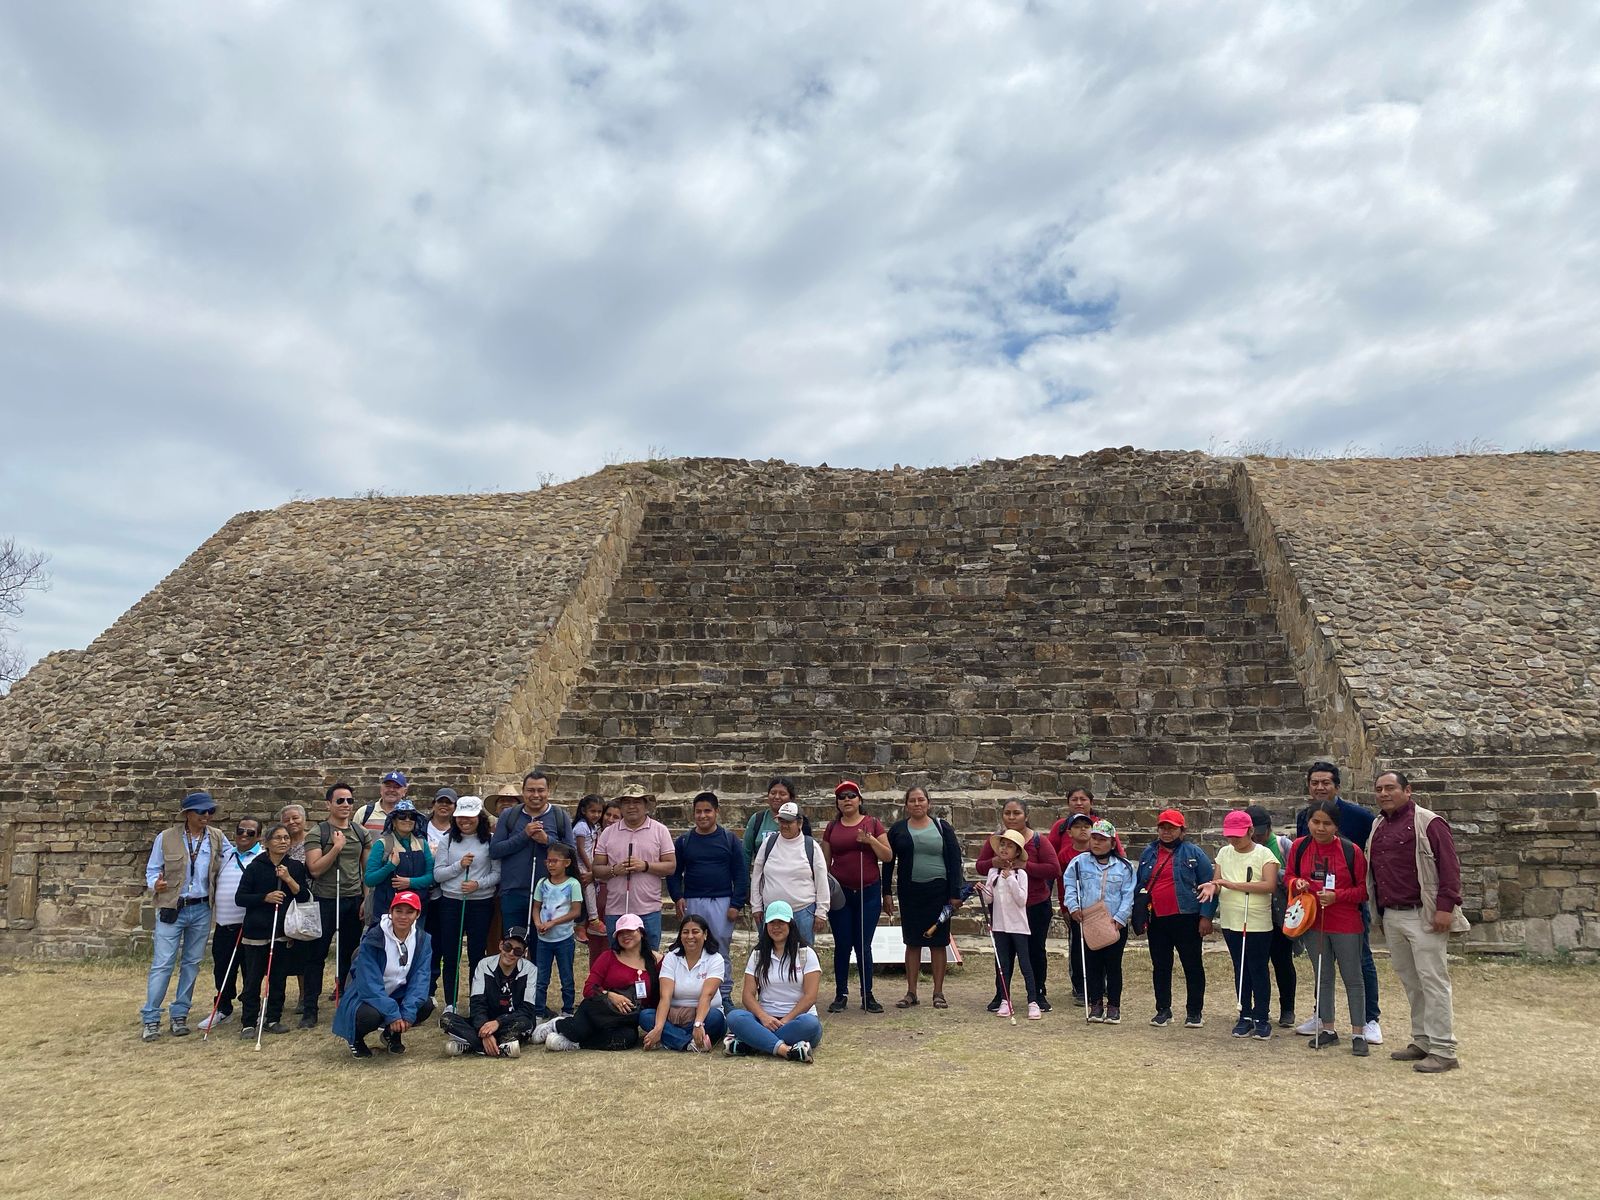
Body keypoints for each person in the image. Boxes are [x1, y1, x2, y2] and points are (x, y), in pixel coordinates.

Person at [1366, 770, 1468, 1074]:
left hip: (1422, 913)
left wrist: (1445, 907)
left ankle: (1444, 1049)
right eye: (1379, 789)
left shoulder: (1429, 822)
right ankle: (1423, 1040)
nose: (1384, 794)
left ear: (1407, 790)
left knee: (1433, 981)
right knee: (1412, 981)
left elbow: (1449, 867)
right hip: (1393, 913)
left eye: (1391, 788)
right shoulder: (1379, 825)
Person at [1294, 761, 1382, 1044]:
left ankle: (1369, 1020)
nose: (1320, 787)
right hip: (1316, 913)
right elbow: (1298, 865)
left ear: (1337, 786)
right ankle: (1325, 1019)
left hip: (1347, 912)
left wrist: (1342, 895)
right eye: (1314, 782)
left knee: (1359, 963)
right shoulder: (1303, 820)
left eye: (1326, 782)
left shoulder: (1360, 817)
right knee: (1323, 970)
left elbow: (1365, 876)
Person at [140, 790, 228, 1041]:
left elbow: (233, 858)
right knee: (163, 963)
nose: (207, 816)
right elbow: (153, 869)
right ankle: (151, 1018)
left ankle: (180, 1013)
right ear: (188, 814)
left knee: (191, 963)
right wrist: (153, 885)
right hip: (172, 906)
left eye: (210, 811)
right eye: (202, 812)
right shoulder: (166, 838)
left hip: (201, 907)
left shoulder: (217, 837)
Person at [1285, 798, 1370, 1056]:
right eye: (1315, 822)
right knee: (1323, 976)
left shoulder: (1350, 850)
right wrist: (1297, 882)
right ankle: (1329, 1029)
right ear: (1308, 822)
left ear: (1336, 825)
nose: (1320, 828)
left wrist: (1338, 896)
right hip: (1313, 922)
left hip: (1345, 923)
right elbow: (1288, 875)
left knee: (1353, 978)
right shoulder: (1299, 847)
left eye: (1327, 823)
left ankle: (1358, 1032)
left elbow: (1363, 891)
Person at [1198, 810, 1278, 1041]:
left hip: (1257, 922)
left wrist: (1230, 884)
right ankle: (1245, 1014)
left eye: (1239, 836)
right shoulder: (1224, 852)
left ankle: (1262, 1017)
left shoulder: (1265, 854)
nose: (1233, 841)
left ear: (1251, 831)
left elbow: (1269, 885)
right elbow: (1218, 881)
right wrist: (1214, 887)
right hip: (1232, 920)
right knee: (1240, 967)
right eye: (1230, 836)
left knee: (1258, 968)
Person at [883, 785, 964, 1009]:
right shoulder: (898, 830)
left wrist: (955, 893)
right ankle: (911, 992)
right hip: (910, 892)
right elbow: (888, 862)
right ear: (906, 805)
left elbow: (955, 859)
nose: (917, 804)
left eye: (921, 800)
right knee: (912, 942)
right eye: (912, 800)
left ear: (928, 803)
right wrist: (886, 892)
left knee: (939, 942)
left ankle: (938, 992)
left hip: (939, 891)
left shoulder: (942, 827)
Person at [976, 799, 1058, 1013]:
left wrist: (1025, 866)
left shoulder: (1039, 841)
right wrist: (994, 863)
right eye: (1007, 813)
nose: (1012, 817)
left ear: (1026, 816)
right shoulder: (997, 841)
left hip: (1034, 904)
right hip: (1003, 907)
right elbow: (980, 865)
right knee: (1003, 951)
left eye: (1017, 813)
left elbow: (1053, 869)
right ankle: (1001, 994)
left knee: (1034, 951)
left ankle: (1038, 993)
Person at [534, 912, 659, 1052]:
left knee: (627, 1039)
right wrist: (610, 995)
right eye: (620, 932)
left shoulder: (653, 962)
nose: (625, 935)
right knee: (578, 1030)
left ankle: (576, 1044)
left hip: (625, 1018)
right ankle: (557, 1025)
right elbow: (589, 989)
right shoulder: (608, 957)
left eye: (630, 930)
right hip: (599, 1010)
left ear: (641, 933)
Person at [1135, 808, 1214, 1028]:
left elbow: (1208, 886)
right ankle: (1163, 1010)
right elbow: (1140, 883)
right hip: (1157, 917)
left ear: (1182, 829)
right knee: (1160, 965)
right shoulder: (1149, 852)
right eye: (1163, 827)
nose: (1166, 831)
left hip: (1186, 916)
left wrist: (1206, 916)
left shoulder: (1194, 852)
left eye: (1171, 827)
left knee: (1192, 965)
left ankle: (1194, 1012)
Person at [332, 891, 437, 1057]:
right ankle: (356, 1038)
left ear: (417, 914)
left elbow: (421, 978)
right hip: (366, 996)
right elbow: (369, 983)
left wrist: (407, 1014)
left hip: (397, 992)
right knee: (370, 1016)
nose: (403, 916)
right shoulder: (374, 938)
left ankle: (392, 1034)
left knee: (425, 1005)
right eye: (398, 911)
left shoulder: (423, 940)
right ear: (391, 912)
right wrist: (393, 1014)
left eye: (409, 912)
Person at [668, 791, 747, 1009]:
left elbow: (740, 873)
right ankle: (695, 993)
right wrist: (677, 897)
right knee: (693, 946)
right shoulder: (684, 841)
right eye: (698, 812)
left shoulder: (729, 840)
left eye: (707, 811)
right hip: (693, 901)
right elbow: (674, 873)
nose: (703, 816)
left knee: (720, 947)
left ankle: (724, 993)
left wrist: (736, 903)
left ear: (716, 812)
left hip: (721, 901)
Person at [234, 823, 312, 1038]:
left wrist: (288, 879)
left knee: (278, 979)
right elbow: (240, 898)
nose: (283, 841)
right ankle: (249, 1022)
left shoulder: (294, 866)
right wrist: (264, 898)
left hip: (282, 932)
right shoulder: (255, 867)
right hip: (256, 933)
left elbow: (303, 896)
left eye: (286, 838)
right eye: (277, 838)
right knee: (252, 981)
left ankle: (273, 1018)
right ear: (266, 843)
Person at [304, 782, 372, 1021]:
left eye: (349, 801)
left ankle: (346, 1001)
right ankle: (310, 1009)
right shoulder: (318, 833)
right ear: (329, 804)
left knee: (349, 955)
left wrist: (366, 898)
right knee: (316, 955)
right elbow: (314, 869)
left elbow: (367, 870)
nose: (345, 805)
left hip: (352, 900)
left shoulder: (360, 832)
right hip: (325, 900)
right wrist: (335, 848)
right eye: (340, 801)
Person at [821, 781, 889, 1013]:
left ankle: (867, 994)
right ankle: (841, 993)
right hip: (840, 894)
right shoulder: (832, 827)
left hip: (867, 891)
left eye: (851, 796)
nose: (846, 800)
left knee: (863, 945)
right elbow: (824, 863)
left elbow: (887, 856)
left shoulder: (873, 824)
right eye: (841, 797)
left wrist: (870, 840)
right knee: (842, 944)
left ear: (859, 799)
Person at [724, 901, 821, 1063]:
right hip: (765, 1021)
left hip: (797, 1021)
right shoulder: (758, 954)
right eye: (772, 923)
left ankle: (753, 1043)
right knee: (734, 1017)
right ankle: (786, 1050)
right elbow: (748, 995)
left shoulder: (806, 953)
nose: (776, 927)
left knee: (810, 1024)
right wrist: (764, 1017)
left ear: (790, 924)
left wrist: (786, 1020)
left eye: (781, 922)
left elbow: (810, 997)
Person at [433, 795, 500, 1014]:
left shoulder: (490, 840)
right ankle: (450, 1002)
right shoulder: (448, 840)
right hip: (451, 903)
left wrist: (477, 885)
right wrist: (459, 866)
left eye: (470, 817)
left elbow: (497, 874)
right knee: (450, 954)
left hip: (480, 903)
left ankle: (476, 1001)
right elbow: (438, 874)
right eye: (461, 817)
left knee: (476, 954)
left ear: (479, 817)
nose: (465, 821)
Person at [1063, 820, 1135, 1024]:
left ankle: (1113, 1005)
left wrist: (1120, 918)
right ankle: (1095, 1004)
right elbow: (1070, 886)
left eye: (1102, 840)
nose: (1096, 843)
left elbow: (1128, 894)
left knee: (1113, 966)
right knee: (1092, 964)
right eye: (1094, 838)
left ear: (1112, 843)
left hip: (1113, 922)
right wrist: (1073, 906)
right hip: (1088, 921)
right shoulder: (1078, 863)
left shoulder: (1125, 867)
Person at [488, 769, 574, 937]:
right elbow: (495, 850)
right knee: (513, 945)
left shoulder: (560, 816)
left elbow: (571, 853)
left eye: (540, 790)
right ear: (523, 791)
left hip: (550, 893)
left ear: (548, 791)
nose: (536, 795)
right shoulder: (509, 815)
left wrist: (548, 841)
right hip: (514, 892)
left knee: (542, 948)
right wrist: (523, 836)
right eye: (531, 790)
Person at [199, 815, 262, 1032]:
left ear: (259, 836)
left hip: (249, 926)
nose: (244, 835)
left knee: (250, 971)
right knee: (222, 969)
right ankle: (222, 1007)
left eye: (250, 832)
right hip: (224, 924)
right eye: (240, 831)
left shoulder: (262, 858)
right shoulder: (225, 854)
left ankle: (250, 1011)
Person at [592, 785, 675, 950]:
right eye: (627, 802)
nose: (631, 806)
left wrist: (645, 866)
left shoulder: (660, 831)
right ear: (621, 806)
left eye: (637, 802)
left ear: (645, 805)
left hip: (648, 910)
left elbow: (671, 866)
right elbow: (596, 869)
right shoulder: (608, 833)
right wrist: (614, 870)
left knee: (650, 958)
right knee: (617, 959)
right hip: (616, 909)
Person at [442, 926, 537, 1058]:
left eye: (517, 951)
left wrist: (498, 1022)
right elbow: (477, 1004)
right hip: (486, 1022)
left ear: (524, 953)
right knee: (447, 1018)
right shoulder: (484, 965)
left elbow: (527, 1009)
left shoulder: (530, 970)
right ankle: (499, 1047)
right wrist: (486, 1031)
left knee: (526, 1023)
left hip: (511, 1022)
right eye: (508, 947)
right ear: (500, 945)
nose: (510, 953)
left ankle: (471, 1044)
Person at [641, 914, 728, 1052]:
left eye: (695, 932)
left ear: (705, 934)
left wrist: (698, 1024)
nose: (690, 937)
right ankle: (689, 1043)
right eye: (685, 932)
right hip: (674, 1016)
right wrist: (658, 1028)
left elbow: (707, 995)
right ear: (680, 936)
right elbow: (665, 997)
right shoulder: (671, 958)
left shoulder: (715, 959)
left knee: (716, 1018)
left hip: (704, 1015)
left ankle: (670, 1039)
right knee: (646, 1016)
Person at [1246, 804, 1299, 1028]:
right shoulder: (1242, 847)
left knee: (1283, 963)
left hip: (1279, 915)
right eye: (1252, 833)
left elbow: (1296, 875)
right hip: (1254, 914)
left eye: (1260, 832)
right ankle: (1258, 1008)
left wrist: (1271, 875)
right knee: (1255, 965)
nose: (1256, 837)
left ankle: (1288, 1008)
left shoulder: (1283, 845)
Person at [750, 800, 831, 944]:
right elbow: (757, 875)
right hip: (772, 913)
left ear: (799, 823)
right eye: (781, 821)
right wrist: (756, 905)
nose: (784, 825)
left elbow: (821, 880)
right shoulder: (768, 843)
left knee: (803, 955)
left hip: (802, 912)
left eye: (789, 821)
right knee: (770, 956)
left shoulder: (811, 846)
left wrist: (821, 911)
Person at [979, 829, 1041, 1019]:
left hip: (1018, 926)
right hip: (1000, 925)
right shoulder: (992, 871)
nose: (1005, 849)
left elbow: (1022, 899)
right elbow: (990, 899)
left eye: (1010, 846)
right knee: (1003, 965)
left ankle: (1033, 1001)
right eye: (1002, 845)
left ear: (1017, 852)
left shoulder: (1021, 873)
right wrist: (983, 890)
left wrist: (1011, 878)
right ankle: (1005, 1000)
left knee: (1025, 964)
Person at [532, 842, 583, 1017]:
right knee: (541, 979)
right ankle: (538, 1011)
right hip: (543, 940)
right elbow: (536, 907)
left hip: (564, 939)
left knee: (566, 977)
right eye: (548, 861)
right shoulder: (542, 883)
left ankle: (567, 1010)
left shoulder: (573, 884)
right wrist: (538, 923)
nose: (551, 865)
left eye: (555, 861)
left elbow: (575, 911)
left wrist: (553, 923)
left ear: (566, 863)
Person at [364, 800, 434, 926]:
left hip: (416, 911)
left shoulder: (422, 844)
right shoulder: (382, 844)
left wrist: (410, 882)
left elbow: (431, 876)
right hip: (386, 912)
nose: (407, 820)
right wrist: (390, 866)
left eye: (411, 816)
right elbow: (369, 879)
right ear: (393, 821)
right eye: (402, 816)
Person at [1055, 810, 1095, 1005]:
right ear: (1069, 832)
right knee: (1078, 949)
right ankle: (1079, 986)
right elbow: (1063, 884)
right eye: (1078, 827)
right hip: (1076, 908)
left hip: (1097, 907)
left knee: (1100, 944)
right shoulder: (1065, 855)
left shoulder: (1098, 851)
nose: (1082, 830)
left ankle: (1099, 984)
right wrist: (1066, 907)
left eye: (1086, 827)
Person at [423, 787, 458, 997]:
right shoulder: (421, 827)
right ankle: (424, 989)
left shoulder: (459, 831)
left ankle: (433, 988)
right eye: (440, 801)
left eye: (449, 803)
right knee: (423, 943)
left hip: (445, 894)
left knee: (441, 944)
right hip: (423, 892)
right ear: (433, 804)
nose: (444, 806)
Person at [742, 776, 814, 867]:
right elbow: (746, 853)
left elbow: (808, 852)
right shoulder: (757, 819)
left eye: (782, 794)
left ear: (791, 798)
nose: (776, 797)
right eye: (773, 793)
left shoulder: (799, 820)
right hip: (766, 877)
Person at [573, 793, 608, 938]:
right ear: (583, 811)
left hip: (589, 862)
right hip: (582, 864)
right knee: (589, 888)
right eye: (593, 811)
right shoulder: (581, 826)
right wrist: (590, 868)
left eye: (599, 812)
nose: (596, 815)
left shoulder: (593, 827)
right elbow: (580, 849)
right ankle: (593, 919)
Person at [355, 770, 409, 836]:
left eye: (396, 787)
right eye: (388, 786)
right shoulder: (363, 813)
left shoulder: (411, 815)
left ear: (404, 792)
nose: (391, 790)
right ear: (381, 789)